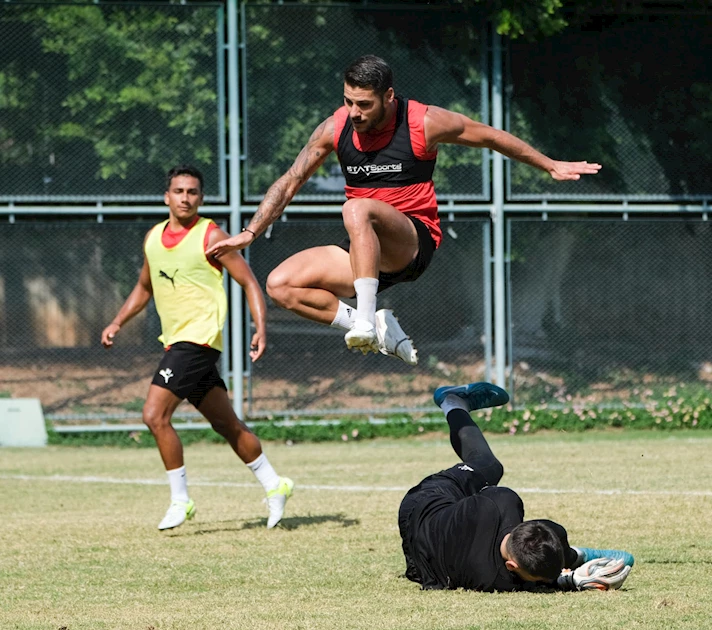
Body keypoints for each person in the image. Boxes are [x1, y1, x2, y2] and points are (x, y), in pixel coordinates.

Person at [206, 54, 602, 364]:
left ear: (389, 97)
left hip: (412, 241)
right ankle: (374, 327)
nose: (354, 112)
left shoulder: (423, 122)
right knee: (281, 284)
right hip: (366, 252)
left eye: (363, 104)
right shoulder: (336, 126)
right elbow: (291, 179)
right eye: (348, 101)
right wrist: (250, 232)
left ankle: (364, 314)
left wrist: (550, 164)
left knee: (357, 207)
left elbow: (490, 137)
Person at [101, 165, 293, 531]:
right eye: (179, 191)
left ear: (201, 198)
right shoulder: (153, 239)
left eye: (192, 192)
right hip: (177, 341)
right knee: (227, 425)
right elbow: (144, 287)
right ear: (166, 196)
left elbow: (250, 282)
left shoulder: (210, 236)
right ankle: (275, 485)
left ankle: (180, 500)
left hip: (198, 340)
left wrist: (261, 327)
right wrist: (117, 322)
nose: (185, 198)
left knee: (154, 415)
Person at [399, 381, 634, 592]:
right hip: (423, 520)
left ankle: (454, 403)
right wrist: (574, 578)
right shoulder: (491, 578)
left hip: (423, 522)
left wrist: (570, 565)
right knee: (488, 469)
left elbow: (542, 567)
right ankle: (451, 400)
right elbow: (542, 583)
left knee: (488, 466)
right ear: (511, 566)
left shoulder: (502, 501)